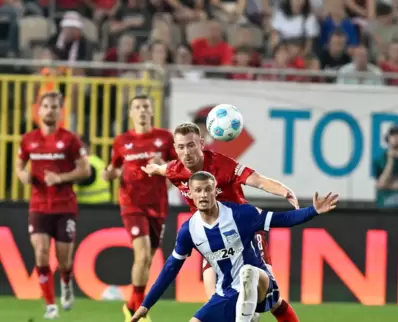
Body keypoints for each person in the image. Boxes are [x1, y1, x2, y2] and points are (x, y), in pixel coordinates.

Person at [141, 122, 300, 322]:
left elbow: (257, 180)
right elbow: (165, 169)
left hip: (244, 234)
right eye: (181, 147)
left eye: (191, 145)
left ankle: (252, 311)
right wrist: (155, 168)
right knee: (215, 300)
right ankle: (246, 316)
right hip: (213, 237)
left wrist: (284, 191)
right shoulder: (175, 169)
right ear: (175, 149)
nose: (187, 152)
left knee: (271, 297)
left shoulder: (221, 164)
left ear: (201, 143)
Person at [131, 171, 339, 322]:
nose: (203, 195)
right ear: (190, 195)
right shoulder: (190, 230)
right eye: (198, 191)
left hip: (261, 282)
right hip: (227, 292)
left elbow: (282, 218)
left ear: (216, 191)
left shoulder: (241, 214)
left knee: (249, 273)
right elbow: (170, 269)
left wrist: (313, 211)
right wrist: (146, 304)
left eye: (207, 190)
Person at [102, 94, 178, 322]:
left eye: (146, 106)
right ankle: (139, 311)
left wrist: (163, 165)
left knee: (147, 259)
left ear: (151, 111)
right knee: (142, 253)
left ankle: (131, 305)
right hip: (131, 204)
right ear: (131, 113)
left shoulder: (164, 138)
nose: (142, 111)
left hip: (157, 205)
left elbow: (178, 168)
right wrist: (109, 174)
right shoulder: (122, 141)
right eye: (137, 107)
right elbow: (113, 168)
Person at [15, 91, 91, 319]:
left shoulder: (70, 139)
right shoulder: (28, 139)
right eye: (46, 106)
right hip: (38, 205)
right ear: (38, 110)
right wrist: (24, 176)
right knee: (40, 253)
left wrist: (60, 178)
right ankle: (50, 305)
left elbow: (85, 170)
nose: (50, 110)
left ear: (60, 111)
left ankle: (66, 283)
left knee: (64, 258)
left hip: (64, 206)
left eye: (54, 106)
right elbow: (19, 167)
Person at [74, 137, 111, 204]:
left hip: (91, 207)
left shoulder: (88, 163)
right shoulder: (98, 161)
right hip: (103, 205)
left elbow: (82, 178)